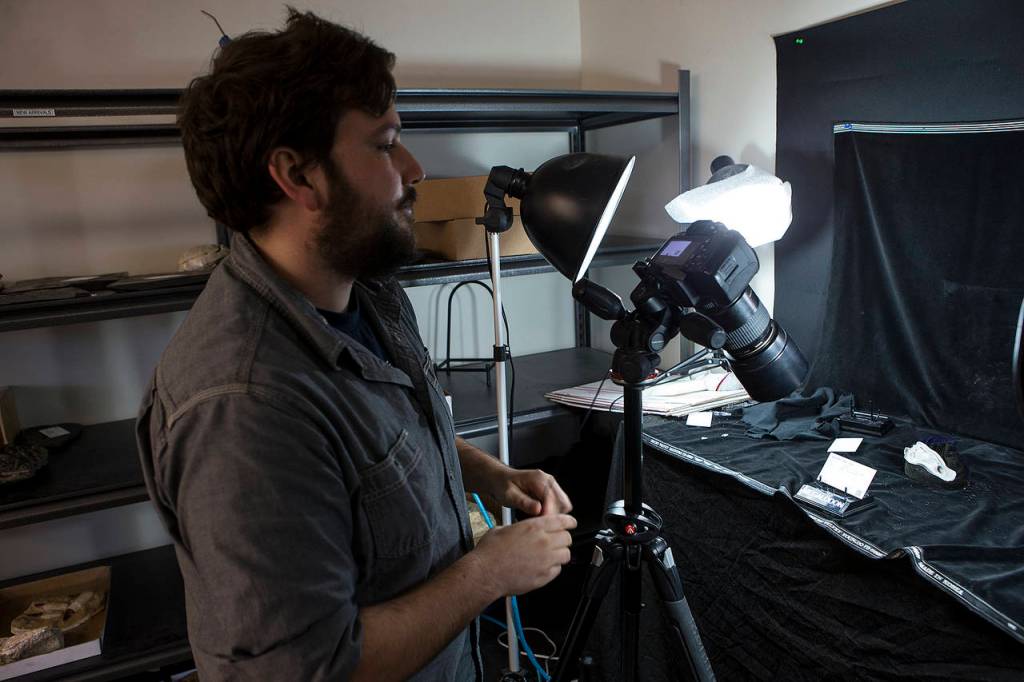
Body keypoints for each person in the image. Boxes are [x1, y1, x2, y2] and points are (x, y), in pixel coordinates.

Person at [136, 8, 576, 681]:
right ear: (299, 176)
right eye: (384, 143)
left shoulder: (362, 286)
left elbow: (377, 433)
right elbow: (312, 669)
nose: (414, 167)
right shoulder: (244, 408)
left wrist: (483, 472)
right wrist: (489, 573)